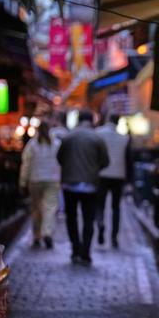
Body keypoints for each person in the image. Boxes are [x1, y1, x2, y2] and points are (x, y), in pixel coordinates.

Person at [57, 110, 110, 264]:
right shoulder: (97, 138)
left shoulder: (68, 137)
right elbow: (105, 161)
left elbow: (59, 158)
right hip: (90, 184)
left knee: (71, 218)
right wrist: (94, 169)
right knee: (88, 219)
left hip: (69, 183)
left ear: (78, 120)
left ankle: (75, 250)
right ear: (91, 120)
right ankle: (86, 253)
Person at [19, 121, 61, 249]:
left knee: (36, 208)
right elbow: (61, 163)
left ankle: (37, 235)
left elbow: (26, 164)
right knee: (50, 208)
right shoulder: (56, 144)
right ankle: (47, 233)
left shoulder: (32, 144)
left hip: (35, 180)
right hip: (52, 179)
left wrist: (22, 181)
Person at [94, 113, 132, 248]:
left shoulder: (98, 133)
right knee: (116, 208)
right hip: (118, 175)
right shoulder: (124, 138)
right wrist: (129, 180)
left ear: (108, 119)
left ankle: (100, 223)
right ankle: (114, 237)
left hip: (102, 174)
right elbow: (129, 160)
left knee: (100, 205)